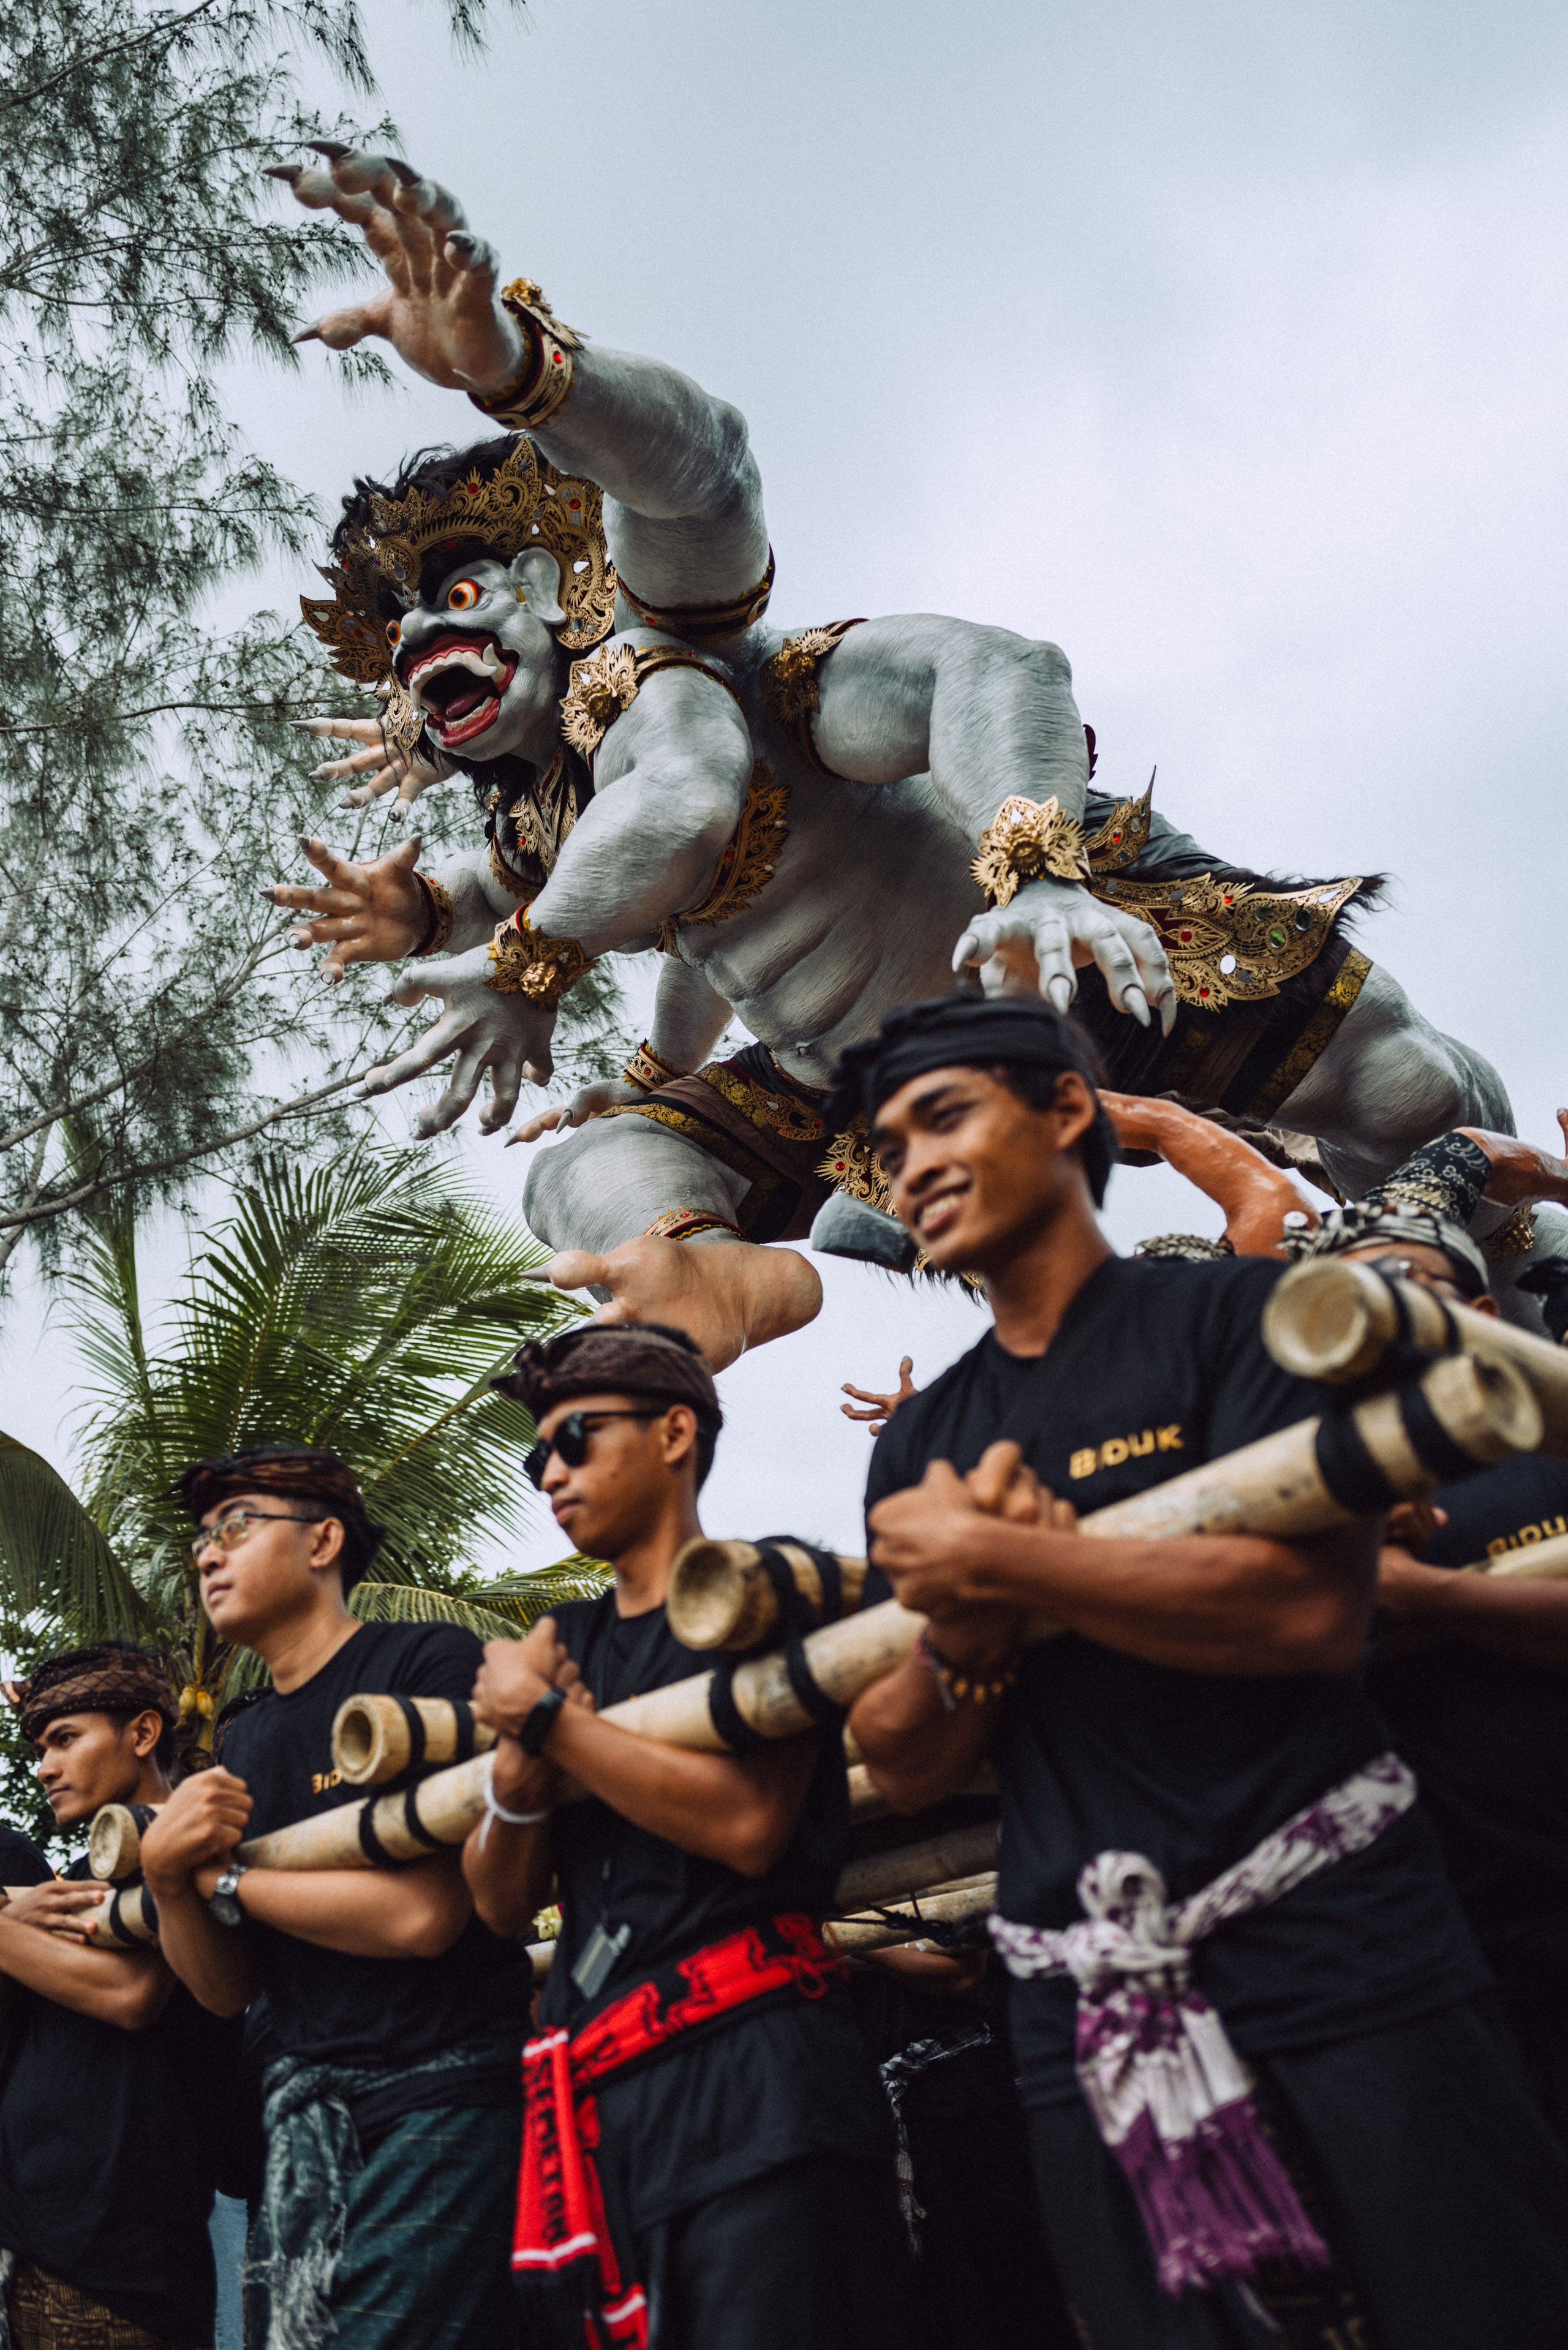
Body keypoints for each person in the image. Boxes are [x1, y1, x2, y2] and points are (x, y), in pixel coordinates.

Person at [839, 992, 1568, 2350]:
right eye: (889, 1149)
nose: (912, 1167)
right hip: (1082, 1983)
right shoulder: (923, 1441)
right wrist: (965, 1639)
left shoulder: (1247, 1317)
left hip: (1331, 1925)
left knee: (1475, 2302)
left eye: (944, 1117)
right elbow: (904, 1754)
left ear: (1068, 1111)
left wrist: (1017, 1564)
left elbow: (1305, 1614)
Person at [461, 1321, 908, 2350]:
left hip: (759, 2077)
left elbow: (749, 1827)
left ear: (674, 1433)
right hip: (608, 2095)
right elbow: (498, 1902)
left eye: (576, 1439)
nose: (551, 1473)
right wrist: (520, 1778)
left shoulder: (766, 1585)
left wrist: (553, 1726)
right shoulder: (564, 1641)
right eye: (537, 1457)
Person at [138, 1446, 529, 2350]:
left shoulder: (423, 1660)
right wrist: (168, 1882)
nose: (208, 1554)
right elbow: (228, 1990)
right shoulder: (246, 1740)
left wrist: (227, 1880)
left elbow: (423, 1916)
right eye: (202, 1538)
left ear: (322, 1542)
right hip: (301, 2116)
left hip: (439, 2091)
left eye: (237, 1526)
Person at [1299, 1152, 1568, 2142]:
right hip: (1475, 1955)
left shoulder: (1555, 1442)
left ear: (1484, 1315)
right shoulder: (1319, 1512)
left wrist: (1429, 1596)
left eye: (1403, 1283)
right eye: (1344, 1301)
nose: (1374, 1315)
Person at [0, 1641, 240, 2350]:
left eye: (65, 1740)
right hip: (39, 2241)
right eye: (40, 1748)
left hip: (119, 2261)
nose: (45, 1768)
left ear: (142, 1733)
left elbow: (132, 1994)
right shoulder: (80, 1872)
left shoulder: (187, 1844)